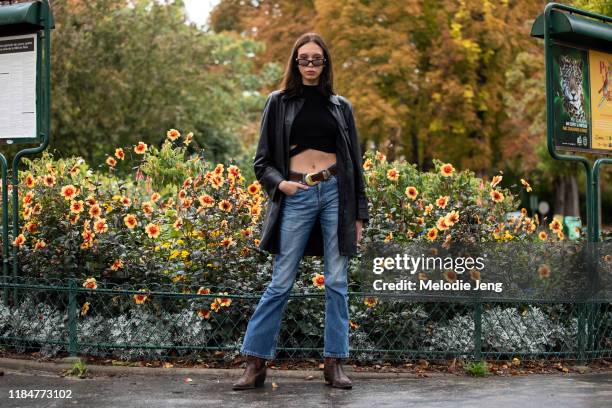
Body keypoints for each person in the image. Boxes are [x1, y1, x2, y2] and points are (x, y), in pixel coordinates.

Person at [233, 32, 369, 390]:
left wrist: (359, 215)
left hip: (336, 195)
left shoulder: (341, 106)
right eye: (304, 59)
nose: (310, 65)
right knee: (280, 282)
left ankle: (334, 363)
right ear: (295, 62)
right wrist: (282, 184)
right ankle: (256, 363)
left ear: (325, 64)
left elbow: (355, 163)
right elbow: (262, 161)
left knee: (337, 282)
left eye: (317, 59)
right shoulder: (278, 102)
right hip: (297, 192)